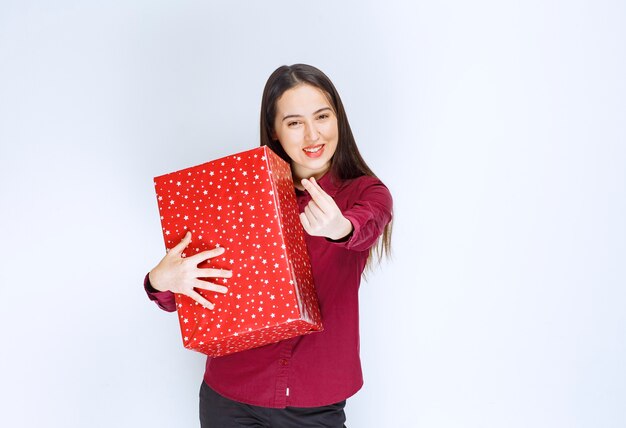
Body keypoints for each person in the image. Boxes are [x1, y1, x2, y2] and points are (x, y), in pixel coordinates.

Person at [145, 64, 393, 427]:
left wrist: (341, 228)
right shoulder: (243, 192)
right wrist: (161, 282)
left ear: (338, 118)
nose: (312, 134)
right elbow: (198, 293)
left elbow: (367, 224)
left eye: (322, 116)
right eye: (294, 122)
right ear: (275, 132)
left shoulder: (365, 193)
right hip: (230, 394)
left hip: (316, 402)